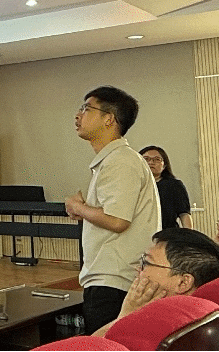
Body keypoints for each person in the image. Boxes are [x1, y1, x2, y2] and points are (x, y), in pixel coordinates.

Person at [65, 86, 161, 334]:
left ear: (109, 119)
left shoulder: (120, 160)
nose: (78, 115)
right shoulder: (114, 159)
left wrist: (79, 207)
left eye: (86, 108)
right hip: (113, 277)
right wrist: (84, 210)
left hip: (113, 281)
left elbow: (118, 221)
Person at [91, 227, 219, 337]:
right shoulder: (209, 317)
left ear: (183, 282)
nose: (138, 270)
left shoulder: (153, 331)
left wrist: (125, 317)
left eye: (146, 263)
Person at [140, 146, 192, 230]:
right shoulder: (133, 185)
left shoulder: (174, 185)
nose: (151, 162)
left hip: (167, 232)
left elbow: (184, 214)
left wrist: (188, 235)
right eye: (146, 159)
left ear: (164, 165)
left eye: (157, 159)